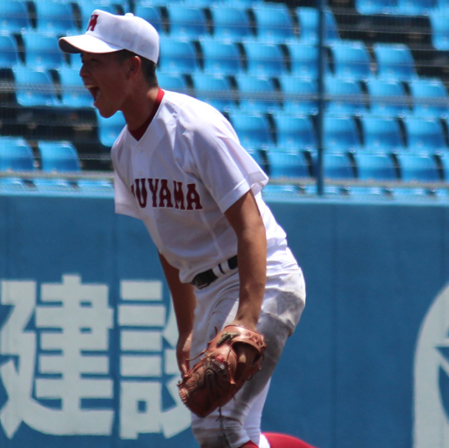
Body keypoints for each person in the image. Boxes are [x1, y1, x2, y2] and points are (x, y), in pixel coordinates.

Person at [59, 10, 307, 448]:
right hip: (211, 290)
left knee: (222, 426)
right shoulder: (123, 153)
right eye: (82, 60)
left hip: (261, 277)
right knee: (224, 430)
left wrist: (247, 321)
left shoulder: (195, 128)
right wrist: (187, 326)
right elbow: (167, 245)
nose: (83, 71)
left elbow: (250, 224)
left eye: (95, 60)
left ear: (132, 67)